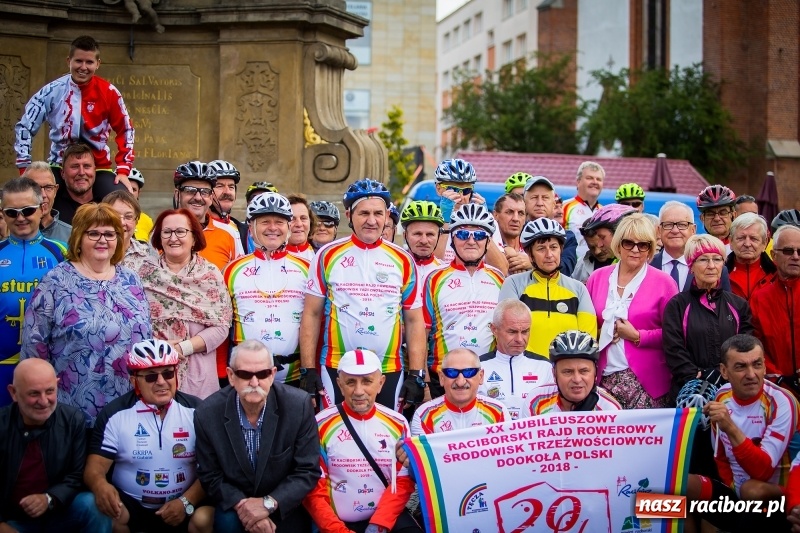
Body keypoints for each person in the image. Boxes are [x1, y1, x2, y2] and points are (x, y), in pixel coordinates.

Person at [299, 179, 427, 411]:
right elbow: (311, 313)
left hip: (388, 368)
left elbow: (414, 319)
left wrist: (416, 373)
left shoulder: (403, 259)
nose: (371, 220)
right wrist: (308, 369)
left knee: (386, 439)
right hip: (336, 366)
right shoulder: (327, 255)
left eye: (378, 213)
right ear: (349, 214)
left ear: (387, 215)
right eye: (364, 213)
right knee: (334, 436)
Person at [21, 203, 152, 427]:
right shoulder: (56, 281)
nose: (103, 239)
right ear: (79, 238)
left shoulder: (131, 280)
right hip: (71, 409)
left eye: (110, 234)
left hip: (128, 408)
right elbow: (34, 345)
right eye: (94, 233)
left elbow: (146, 337)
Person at [85, 340, 212, 533]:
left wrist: (186, 502)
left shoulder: (197, 411)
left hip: (182, 504)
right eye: (151, 376)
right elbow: (94, 469)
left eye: (168, 373)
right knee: (105, 511)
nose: (161, 382)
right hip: (132, 506)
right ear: (134, 380)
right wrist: (100, 485)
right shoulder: (115, 414)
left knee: (204, 519)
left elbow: (212, 470)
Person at [194, 340, 320, 532]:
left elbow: (307, 470)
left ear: (272, 375)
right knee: (227, 523)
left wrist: (267, 504)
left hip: (282, 503)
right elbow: (210, 475)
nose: (254, 383)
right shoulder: (207, 413)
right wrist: (246, 509)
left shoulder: (298, 406)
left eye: (262, 374)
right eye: (245, 375)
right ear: (231, 376)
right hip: (236, 504)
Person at [685, 335, 797, 533]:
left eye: (757, 364)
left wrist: (730, 427)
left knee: (751, 490)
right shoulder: (722, 395)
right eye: (741, 367)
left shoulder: (781, 402)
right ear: (724, 371)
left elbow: (763, 471)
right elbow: (720, 457)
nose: (751, 374)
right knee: (671, 488)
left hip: (774, 497)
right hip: (736, 491)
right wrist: (729, 490)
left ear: (765, 367)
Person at [304, 349, 420, 533]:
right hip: (336, 525)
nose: (359, 391)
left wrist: (379, 525)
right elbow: (312, 488)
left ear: (381, 383)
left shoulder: (398, 423)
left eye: (367, 381)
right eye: (350, 382)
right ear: (339, 385)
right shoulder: (319, 425)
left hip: (386, 519)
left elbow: (403, 481)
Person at [14, 35, 134, 198]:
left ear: (98, 64)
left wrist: (123, 169)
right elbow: (25, 127)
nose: (83, 67)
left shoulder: (110, 92)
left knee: (123, 201)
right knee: (32, 199)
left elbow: (126, 129)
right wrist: (24, 168)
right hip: (58, 165)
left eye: (89, 62)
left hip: (98, 167)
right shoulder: (51, 91)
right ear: (69, 60)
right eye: (78, 61)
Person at [0, 359, 110, 533]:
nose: (44, 401)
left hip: (58, 512)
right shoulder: (2, 424)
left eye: (50, 391)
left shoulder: (73, 420)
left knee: (92, 504)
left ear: (58, 385)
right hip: (11, 520)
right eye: (34, 394)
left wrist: (49, 499)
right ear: (13, 393)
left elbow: (76, 475)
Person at [137, 209, 232, 400]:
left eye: (181, 231)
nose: (174, 238)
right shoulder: (142, 273)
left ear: (194, 237)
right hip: (152, 369)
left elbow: (222, 326)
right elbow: (132, 323)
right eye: (167, 232)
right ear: (159, 237)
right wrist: (159, 348)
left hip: (198, 376)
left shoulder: (210, 275)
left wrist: (182, 348)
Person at [586, 213, 678, 409]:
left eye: (643, 245)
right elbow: (587, 324)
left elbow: (675, 334)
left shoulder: (664, 283)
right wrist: (601, 333)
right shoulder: (597, 278)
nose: (636, 250)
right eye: (629, 243)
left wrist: (637, 336)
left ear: (650, 249)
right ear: (618, 245)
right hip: (602, 379)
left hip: (647, 382)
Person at [224, 193, 308, 387]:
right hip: (246, 376)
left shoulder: (307, 268)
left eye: (279, 221)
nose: (272, 228)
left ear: (288, 228)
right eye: (264, 222)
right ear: (251, 229)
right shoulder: (231, 270)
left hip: (293, 376)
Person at [423, 204, 503, 397]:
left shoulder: (499, 278)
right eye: (462, 235)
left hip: (486, 377)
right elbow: (421, 332)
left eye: (479, 236)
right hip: (442, 378)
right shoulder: (434, 279)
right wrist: (423, 381)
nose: (470, 241)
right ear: (452, 240)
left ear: (488, 241)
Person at [0, 178, 67, 406]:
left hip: (47, 367)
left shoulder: (61, 253)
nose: (20, 218)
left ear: (42, 209)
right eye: (11, 212)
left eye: (27, 210)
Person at [663, 234, 753, 401]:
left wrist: (725, 373)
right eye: (703, 260)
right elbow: (673, 349)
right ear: (691, 266)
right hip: (689, 393)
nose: (711, 266)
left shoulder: (738, 305)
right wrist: (697, 375)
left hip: (731, 390)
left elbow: (745, 346)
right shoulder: (677, 305)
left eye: (717, 259)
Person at [499, 218, 596, 357]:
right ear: (529, 254)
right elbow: (509, 332)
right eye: (541, 249)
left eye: (554, 247)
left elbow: (587, 338)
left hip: (565, 370)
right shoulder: (513, 284)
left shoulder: (578, 289)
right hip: (527, 370)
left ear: (561, 250)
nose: (549, 254)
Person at [478, 299, 553, 420]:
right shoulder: (476, 367)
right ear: (494, 329)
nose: (519, 339)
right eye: (512, 332)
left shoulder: (545, 366)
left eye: (525, 331)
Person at [432, 159, 508, 274]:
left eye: (466, 190)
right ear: (439, 189)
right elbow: (432, 268)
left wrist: (484, 226)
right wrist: (445, 222)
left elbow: (501, 269)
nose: (461, 196)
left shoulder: (488, 220)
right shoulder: (429, 220)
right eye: (454, 189)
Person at [411, 348, 509, 436]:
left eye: (469, 372)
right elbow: (422, 455)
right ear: (441, 377)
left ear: (481, 376)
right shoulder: (424, 415)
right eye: (452, 372)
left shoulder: (498, 412)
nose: (460, 382)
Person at [751, 224, 800, 396]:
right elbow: (756, 344)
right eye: (788, 251)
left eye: (799, 251)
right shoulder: (760, 298)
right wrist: (778, 379)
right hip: (776, 391)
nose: (795, 256)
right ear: (773, 256)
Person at [527, 330, 621, 415]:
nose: (577, 379)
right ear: (554, 374)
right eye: (568, 372)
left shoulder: (610, 410)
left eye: (584, 371)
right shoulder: (536, 402)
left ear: (595, 373)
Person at [172, 161, 243, 272]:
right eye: (190, 191)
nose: (198, 197)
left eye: (205, 192)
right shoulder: (162, 232)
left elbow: (238, 279)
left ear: (211, 197)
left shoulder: (229, 234)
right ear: (177, 194)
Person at [652, 200, 732, 291]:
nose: (675, 231)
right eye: (668, 225)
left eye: (682, 224)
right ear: (659, 230)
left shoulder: (716, 269)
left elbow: (724, 304)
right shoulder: (646, 266)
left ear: (693, 230)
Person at [522, 176, 578, 275]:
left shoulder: (567, 237)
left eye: (545, 198)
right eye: (534, 197)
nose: (540, 203)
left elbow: (566, 269)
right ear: (524, 203)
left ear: (553, 204)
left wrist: (533, 263)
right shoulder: (514, 233)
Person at [572, 203, 636, 283]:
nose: (597, 251)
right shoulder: (581, 265)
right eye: (591, 247)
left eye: (602, 237)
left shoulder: (636, 262)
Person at [102, 190, 158, 273]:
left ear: (136, 221)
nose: (121, 223)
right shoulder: (93, 251)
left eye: (128, 217)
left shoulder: (148, 253)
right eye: (115, 216)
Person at [726, 212, 776, 300]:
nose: (747, 244)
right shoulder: (717, 274)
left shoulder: (777, 274)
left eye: (754, 238)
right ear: (731, 242)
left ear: (764, 243)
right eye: (741, 238)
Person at [562, 161, 604, 259]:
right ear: (578, 181)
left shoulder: (604, 211)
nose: (595, 182)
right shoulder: (564, 207)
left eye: (599, 179)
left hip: (596, 269)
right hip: (572, 270)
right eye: (589, 178)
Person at [22, 162, 72, 243]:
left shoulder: (71, 235)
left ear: (55, 191)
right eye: (36, 188)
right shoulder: (10, 232)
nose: (43, 195)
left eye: (48, 187)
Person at [50, 143, 99, 225]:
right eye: (75, 167)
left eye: (86, 166)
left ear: (94, 171)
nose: (81, 172)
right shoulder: (52, 207)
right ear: (62, 173)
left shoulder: (105, 203)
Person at [399, 200, 445, 284]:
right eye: (417, 234)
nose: (424, 241)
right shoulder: (394, 267)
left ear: (439, 236)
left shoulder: (445, 272)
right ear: (405, 235)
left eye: (430, 234)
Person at [207, 159, 247, 254]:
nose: (227, 192)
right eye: (219, 186)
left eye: (231, 187)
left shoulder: (245, 231)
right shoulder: (196, 229)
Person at [494, 193, 530, 274]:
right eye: (509, 212)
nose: (515, 219)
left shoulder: (532, 249)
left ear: (525, 219)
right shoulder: (484, 246)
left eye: (521, 213)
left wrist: (533, 263)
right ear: (495, 215)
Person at [697, 184, 737, 253]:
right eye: (710, 214)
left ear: (733, 215)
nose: (717, 218)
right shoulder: (695, 249)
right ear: (702, 218)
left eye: (723, 213)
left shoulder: (743, 247)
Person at [286, 194, 316, 262]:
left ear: (310, 221)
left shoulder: (321, 255)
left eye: (303, 218)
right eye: (292, 219)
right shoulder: (270, 257)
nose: (299, 224)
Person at [127, 168, 155, 242]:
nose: (130, 193)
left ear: (139, 193)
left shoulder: (147, 220)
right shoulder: (107, 217)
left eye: (133, 189)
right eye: (125, 188)